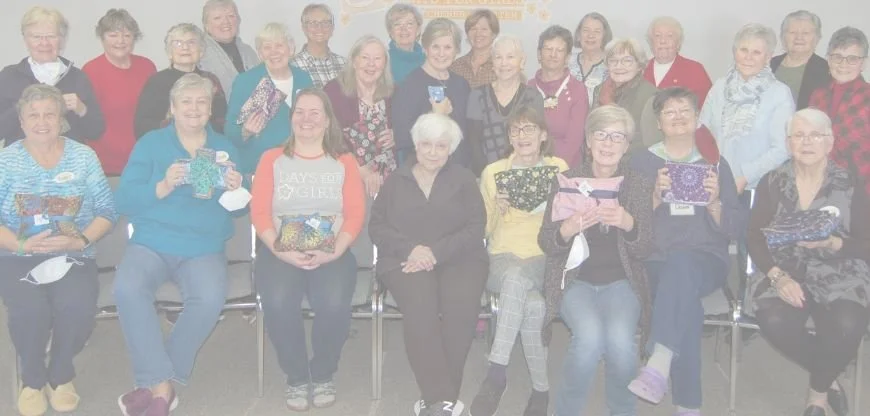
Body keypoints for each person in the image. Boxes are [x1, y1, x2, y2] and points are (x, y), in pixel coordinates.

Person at [114, 74, 245, 416]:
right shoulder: (151, 144)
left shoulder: (225, 148)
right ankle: (162, 387)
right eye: (186, 101)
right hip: (152, 241)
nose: (194, 108)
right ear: (172, 108)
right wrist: (161, 186)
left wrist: (235, 188)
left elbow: (243, 208)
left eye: (202, 102)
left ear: (210, 109)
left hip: (203, 244)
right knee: (128, 288)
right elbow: (124, 197)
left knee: (210, 298)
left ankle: (158, 383)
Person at [627, 87, 747, 416]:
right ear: (659, 122)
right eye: (670, 112)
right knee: (688, 306)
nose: (678, 117)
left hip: (706, 258)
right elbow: (629, 224)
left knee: (682, 267)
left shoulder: (715, 163)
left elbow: (735, 227)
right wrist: (653, 196)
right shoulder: (641, 161)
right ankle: (688, 405)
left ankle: (659, 361)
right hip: (655, 258)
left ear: (697, 119)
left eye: (686, 111)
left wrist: (715, 204)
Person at [0, 84, 116, 416]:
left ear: (61, 119)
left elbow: (106, 212)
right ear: (21, 122)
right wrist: (19, 243)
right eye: (33, 115)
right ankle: (33, 380)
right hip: (17, 255)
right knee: (29, 313)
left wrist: (80, 240)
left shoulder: (83, 156)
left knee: (77, 310)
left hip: (72, 254)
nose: (41, 121)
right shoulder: (5, 162)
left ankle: (61, 373)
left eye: (49, 113)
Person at [748, 108, 869, 416]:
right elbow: (754, 238)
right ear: (789, 143)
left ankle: (816, 396)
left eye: (815, 135)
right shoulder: (772, 182)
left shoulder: (851, 183)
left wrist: (834, 243)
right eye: (799, 135)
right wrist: (778, 277)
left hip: (839, 269)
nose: (807, 142)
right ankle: (829, 377)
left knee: (847, 324)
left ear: (830, 142)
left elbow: (866, 244)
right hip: (784, 268)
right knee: (774, 320)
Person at [251, 88, 365, 411]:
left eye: (315, 112)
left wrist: (335, 251)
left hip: (332, 248)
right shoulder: (272, 159)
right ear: (291, 119)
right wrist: (279, 249)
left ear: (327, 120)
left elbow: (355, 214)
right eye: (299, 112)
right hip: (280, 248)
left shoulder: (344, 161)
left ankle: (324, 372)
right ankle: (298, 377)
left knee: (332, 302)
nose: (306, 119)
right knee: (277, 300)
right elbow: (259, 212)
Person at [538, 105, 654, 416]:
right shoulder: (566, 180)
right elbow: (546, 242)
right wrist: (567, 228)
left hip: (622, 281)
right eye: (600, 135)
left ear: (627, 145)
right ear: (588, 141)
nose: (607, 143)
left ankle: (622, 411)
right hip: (575, 281)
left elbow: (645, 249)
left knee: (620, 345)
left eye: (617, 136)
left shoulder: (637, 184)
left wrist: (628, 223)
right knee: (588, 341)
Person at [370, 113, 488, 416]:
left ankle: (438, 402)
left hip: (460, 258)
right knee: (420, 310)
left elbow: (476, 228)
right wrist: (411, 250)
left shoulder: (463, 179)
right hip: (403, 260)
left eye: (440, 145)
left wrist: (434, 252)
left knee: (460, 309)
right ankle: (442, 399)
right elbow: (377, 227)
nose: (433, 152)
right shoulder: (396, 180)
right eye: (426, 144)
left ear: (451, 149)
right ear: (415, 144)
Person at [470, 107, 568, 416]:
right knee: (526, 295)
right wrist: (497, 209)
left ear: (542, 136)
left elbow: (567, 218)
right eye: (515, 131)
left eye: (529, 130)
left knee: (530, 298)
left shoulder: (558, 167)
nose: (521, 137)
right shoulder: (493, 171)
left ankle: (497, 373)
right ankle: (540, 392)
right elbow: (482, 230)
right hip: (501, 255)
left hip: (543, 257)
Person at [700, 23, 795, 196]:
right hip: (714, 182)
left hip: (758, 187)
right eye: (744, 50)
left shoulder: (779, 93)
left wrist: (744, 177)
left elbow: (782, 148)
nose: (748, 57)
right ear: (735, 52)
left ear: (768, 57)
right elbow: (702, 133)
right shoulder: (719, 87)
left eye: (756, 52)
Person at [0, 6, 104, 144]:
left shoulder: (78, 77)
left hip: (69, 162)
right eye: (36, 37)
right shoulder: (8, 76)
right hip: (20, 163)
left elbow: (95, 132)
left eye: (51, 36)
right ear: (26, 40)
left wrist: (81, 109)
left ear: (61, 39)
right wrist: (22, 107)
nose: (44, 43)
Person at [224, 22, 314, 174]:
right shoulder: (246, 81)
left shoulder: (304, 79)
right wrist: (245, 131)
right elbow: (229, 131)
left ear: (290, 49)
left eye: (279, 45)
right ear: (260, 54)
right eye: (267, 47)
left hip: (299, 167)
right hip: (259, 168)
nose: (274, 52)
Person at [82, 8, 157, 175]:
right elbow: (89, 122)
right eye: (113, 35)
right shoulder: (91, 71)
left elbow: (155, 115)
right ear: (102, 37)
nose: (120, 41)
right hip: (106, 165)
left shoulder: (147, 67)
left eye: (127, 35)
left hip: (145, 160)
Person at [393, 18, 472, 168]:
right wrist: (435, 117)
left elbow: (467, 135)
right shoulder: (410, 85)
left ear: (456, 50)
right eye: (435, 46)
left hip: (458, 172)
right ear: (425, 48)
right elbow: (402, 138)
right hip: (425, 174)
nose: (441, 53)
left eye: (448, 47)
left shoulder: (462, 84)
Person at [323, 35, 396, 198]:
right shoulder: (333, 91)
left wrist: (396, 134)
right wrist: (359, 170)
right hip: (347, 176)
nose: (371, 64)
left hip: (389, 179)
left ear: (384, 64)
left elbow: (408, 126)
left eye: (378, 58)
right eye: (365, 58)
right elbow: (328, 137)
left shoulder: (393, 92)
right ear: (354, 61)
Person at [467, 35, 544, 175]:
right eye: (498, 57)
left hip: (524, 173)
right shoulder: (477, 95)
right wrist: (488, 175)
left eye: (510, 57)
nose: (504, 63)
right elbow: (473, 143)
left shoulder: (533, 97)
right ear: (492, 62)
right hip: (484, 174)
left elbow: (535, 141)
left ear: (522, 61)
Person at [134, 23, 227, 139]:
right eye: (178, 43)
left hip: (207, 146)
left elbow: (222, 121)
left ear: (201, 51)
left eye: (191, 42)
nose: (185, 47)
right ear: (169, 52)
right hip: (166, 146)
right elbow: (143, 126)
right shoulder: (156, 82)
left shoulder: (211, 80)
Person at [808, 27, 870, 194]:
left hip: (861, 190)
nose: (843, 64)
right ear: (828, 59)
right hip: (820, 187)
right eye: (837, 57)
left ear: (863, 63)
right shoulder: (817, 96)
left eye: (852, 59)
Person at [528, 25, 589, 168]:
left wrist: (551, 168)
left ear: (567, 57)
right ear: (539, 54)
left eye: (559, 50)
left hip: (566, 167)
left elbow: (574, 140)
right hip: (530, 165)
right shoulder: (528, 88)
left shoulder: (578, 90)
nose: (553, 55)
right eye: (548, 49)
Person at [592, 38, 660, 149]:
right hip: (599, 154)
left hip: (632, 160)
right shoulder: (599, 90)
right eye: (613, 61)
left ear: (639, 66)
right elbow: (591, 126)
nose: (619, 66)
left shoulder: (651, 95)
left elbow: (650, 143)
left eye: (627, 61)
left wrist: (609, 104)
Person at [642, 16, 712, 106]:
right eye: (657, 36)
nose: (663, 41)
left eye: (670, 36)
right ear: (650, 42)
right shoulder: (641, 69)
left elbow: (706, 110)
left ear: (678, 43)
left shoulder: (695, 70)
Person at [198, 0, 260, 99]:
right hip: (218, 113)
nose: (226, 22)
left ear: (238, 20)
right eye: (217, 18)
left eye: (231, 16)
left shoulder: (248, 51)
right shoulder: (199, 53)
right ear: (206, 25)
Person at [771, 10, 830, 110]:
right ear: (783, 36)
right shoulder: (769, 64)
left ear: (817, 38)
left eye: (806, 33)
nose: (799, 37)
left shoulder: (826, 70)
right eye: (792, 32)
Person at [290, 4, 347, 89]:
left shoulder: (344, 65)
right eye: (313, 23)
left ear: (332, 28)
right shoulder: (293, 66)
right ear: (304, 28)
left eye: (325, 23)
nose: (319, 27)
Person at [568, 13, 611, 105]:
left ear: (604, 36)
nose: (591, 35)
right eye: (586, 30)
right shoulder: (566, 61)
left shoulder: (612, 65)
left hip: (598, 118)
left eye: (597, 31)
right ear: (579, 35)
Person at [449, 9, 499, 89]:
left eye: (484, 29)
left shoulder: (503, 66)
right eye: (473, 29)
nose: (478, 33)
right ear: (467, 34)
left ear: (494, 34)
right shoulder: (455, 67)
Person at [385, 3, 425, 85]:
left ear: (418, 30)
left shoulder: (428, 61)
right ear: (390, 31)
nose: (403, 29)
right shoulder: (384, 60)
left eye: (409, 24)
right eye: (397, 24)